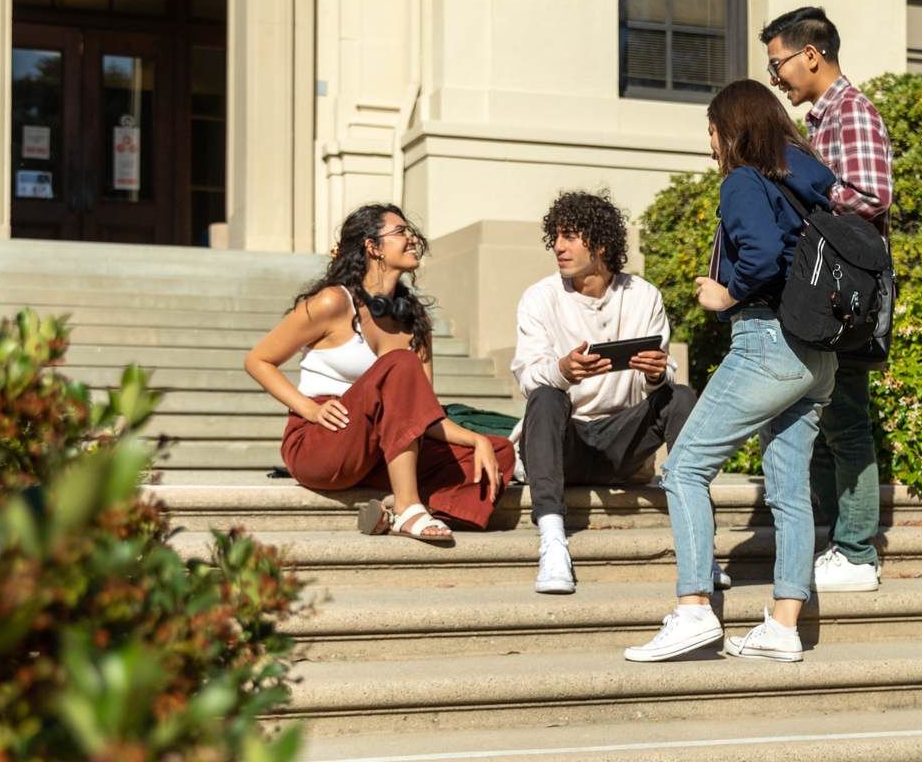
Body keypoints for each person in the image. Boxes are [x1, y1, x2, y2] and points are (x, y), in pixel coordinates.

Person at [625, 80, 839, 665]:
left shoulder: (745, 181)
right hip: (817, 356)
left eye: (713, 133)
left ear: (732, 130)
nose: (711, 148)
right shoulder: (808, 185)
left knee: (685, 467)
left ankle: (694, 610)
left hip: (768, 341)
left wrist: (726, 294)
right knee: (791, 493)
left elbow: (762, 258)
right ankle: (783, 626)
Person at [245, 204, 514, 541]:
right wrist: (309, 409)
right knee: (400, 363)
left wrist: (475, 440)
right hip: (323, 442)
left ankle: (392, 507)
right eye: (401, 232)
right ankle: (408, 506)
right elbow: (258, 360)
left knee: (498, 450)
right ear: (372, 247)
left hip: (377, 453)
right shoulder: (332, 302)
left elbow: (423, 416)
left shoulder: (413, 322)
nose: (413, 238)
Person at [761, 5, 893, 595]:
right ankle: (832, 540)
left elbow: (870, 196)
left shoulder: (851, 113)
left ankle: (858, 553)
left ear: (810, 54)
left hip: (848, 296)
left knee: (844, 420)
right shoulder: (821, 120)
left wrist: (805, 181)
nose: (777, 78)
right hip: (827, 292)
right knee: (816, 416)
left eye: (778, 64)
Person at [512, 190, 697, 595]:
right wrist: (562, 370)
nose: (559, 247)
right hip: (567, 442)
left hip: (621, 442)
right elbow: (526, 373)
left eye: (571, 236)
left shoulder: (642, 295)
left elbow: (663, 372)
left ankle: (696, 541)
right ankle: (553, 542)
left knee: (680, 394)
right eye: (556, 237)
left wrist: (653, 374)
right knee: (545, 393)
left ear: (600, 244)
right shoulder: (540, 298)